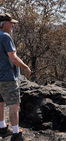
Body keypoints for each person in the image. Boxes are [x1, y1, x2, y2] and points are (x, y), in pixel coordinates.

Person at [0, 13, 31, 141]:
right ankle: (16, 134)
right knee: (14, 105)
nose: (12, 25)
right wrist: (25, 67)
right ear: (4, 24)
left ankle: (2, 127)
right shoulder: (5, 37)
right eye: (11, 23)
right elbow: (13, 58)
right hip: (8, 77)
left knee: (0, 102)